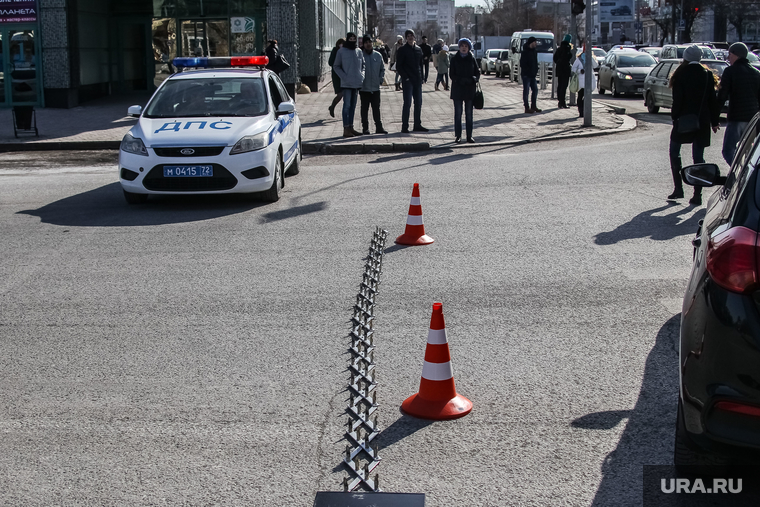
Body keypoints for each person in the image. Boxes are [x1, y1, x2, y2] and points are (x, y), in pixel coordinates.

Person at [668, 45, 720, 205]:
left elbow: (678, 100)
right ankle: (697, 194)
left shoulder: (680, 74)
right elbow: (713, 100)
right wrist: (715, 121)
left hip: (684, 120)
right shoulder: (707, 75)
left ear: (686, 57)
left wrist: (674, 117)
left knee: (674, 152)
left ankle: (678, 188)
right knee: (698, 157)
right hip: (702, 121)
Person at [716, 42, 760, 165]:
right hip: (752, 119)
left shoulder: (730, 71)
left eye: (729, 54)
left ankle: (737, 176)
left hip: (736, 118)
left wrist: (714, 118)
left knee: (728, 150)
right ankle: (747, 175)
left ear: (735, 55)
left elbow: (722, 96)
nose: (728, 58)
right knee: (749, 152)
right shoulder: (756, 73)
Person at [333, 32, 366, 138]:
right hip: (346, 83)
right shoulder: (341, 51)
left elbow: (363, 65)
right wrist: (344, 77)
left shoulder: (359, 51)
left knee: (353, 106)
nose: (352, 40)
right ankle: (346, 128)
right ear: (347, 39)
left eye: (354, 38)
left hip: (356, 83)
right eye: (350, 38)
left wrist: (362, 76)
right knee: (346, 106)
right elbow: (336, 66)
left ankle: (351, 127)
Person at [396, 29, 428, 133]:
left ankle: (417, 125)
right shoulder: (402, 50)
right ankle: (405, 126)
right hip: (408, 80)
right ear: (406, 38)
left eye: (412, 36)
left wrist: (422, 77)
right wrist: (405, 77)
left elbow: (420, 64)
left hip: (417, 80)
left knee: (418, 103)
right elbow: (399, 66)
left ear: (415, 37)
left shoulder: (418, 49)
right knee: (408, 103)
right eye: (408, 36)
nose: (410, 38)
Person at [449, 38, 480, 143]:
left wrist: (473, 79)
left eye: (466, 46)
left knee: (469, 114)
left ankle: (469, 136)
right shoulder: (454, 59)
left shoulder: (472, 59)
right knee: (458, 114)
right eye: (462, 46)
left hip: (469, 90)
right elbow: (451, 74)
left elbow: (477, 73)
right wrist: (460, 80)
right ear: (459, 47)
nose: (463, 48)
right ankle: (458, 136)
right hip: (458, 89)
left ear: (469, 48)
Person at [360, 35, 388, 135]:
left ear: (372, 43)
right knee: (364, 109)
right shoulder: (360, 56)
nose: (368, 44)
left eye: (370, 42)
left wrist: (380, 80)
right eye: (366, 42)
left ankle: (379, 127)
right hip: (364, 88)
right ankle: (365, 128)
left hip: (375, 88)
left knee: (376, 108)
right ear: (363, 44)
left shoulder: (377, 55)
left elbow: (382, 69)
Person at [571, 45, 596, 118]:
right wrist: (580, 71)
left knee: (587, 97)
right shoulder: (579, 59)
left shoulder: (591, 58)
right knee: (580, 97)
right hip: (581, 82)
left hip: (589, 81)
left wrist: (591, 57)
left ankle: (586, 110)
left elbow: (595, 65)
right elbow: (573, 68)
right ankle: (581, 111)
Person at [520, 36, 541, 114]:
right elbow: (522, 64)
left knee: (535, 90)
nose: (536, 44)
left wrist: (535, 70)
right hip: (526, 75)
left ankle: (533, 106)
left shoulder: (534, 51)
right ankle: (526, 107)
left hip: (533, 75)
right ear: (531, 43)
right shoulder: (525, 52)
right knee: (526, 91)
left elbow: (535, 62)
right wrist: (528, 71)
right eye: (534, 42)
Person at [553, 34, 573, 109]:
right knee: (564, 86)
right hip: (565, 69)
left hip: (559, 69)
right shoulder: (567, 48)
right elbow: (568, 57)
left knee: (560, 85)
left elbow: (555, 58)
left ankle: (560, 101)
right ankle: (562, 102)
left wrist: (558, 62)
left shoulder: (559, 49)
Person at [327, 38, 346, 118]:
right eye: (339, 44)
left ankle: (346, 113)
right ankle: (332, 106)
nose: (341, 45)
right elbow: (330, 62)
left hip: (345, 75)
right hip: (336, 76)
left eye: (342, 44)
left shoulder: (346, 51)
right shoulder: (335, 50)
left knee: (346, 95)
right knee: (340, 94)